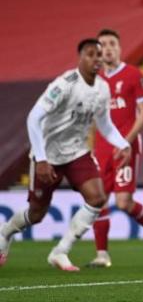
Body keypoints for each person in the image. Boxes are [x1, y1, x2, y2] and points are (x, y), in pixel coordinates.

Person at [0, 39, 132, 271]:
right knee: (37, 213)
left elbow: (105, 124)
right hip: (47, 154)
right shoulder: (64, 84)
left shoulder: (102, 87)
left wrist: (124, 144)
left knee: (97, 198)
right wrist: (40, 158)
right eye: (91, 54)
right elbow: (33, 118)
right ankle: (5, 233)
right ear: (80, 57)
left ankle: (60, 251)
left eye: (99, 55)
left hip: (77, 152)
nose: (96, 59)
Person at [87, 28, 143, 268]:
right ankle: (102, 255)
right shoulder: (95, 80)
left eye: (113, 43)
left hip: (127, 145)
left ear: (120, 47)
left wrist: (126, 141)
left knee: (123, 202)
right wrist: (91, 147)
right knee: (97, 200)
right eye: (103, 44)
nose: (108, 47)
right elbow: (93, 117)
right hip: (101, 149)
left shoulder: (134, 75)